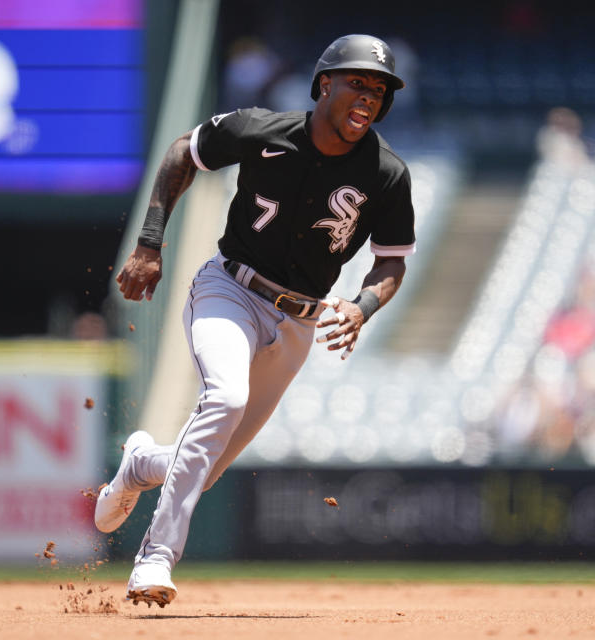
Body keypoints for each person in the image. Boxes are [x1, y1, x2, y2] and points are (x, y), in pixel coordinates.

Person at [96, 34, 415, 607]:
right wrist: (150, 243)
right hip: (230, 288)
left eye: (381, 90)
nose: (370, 97)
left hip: (300, 320)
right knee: (225, 398)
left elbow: (391, 259)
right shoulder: (260, 130)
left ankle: (141, 463)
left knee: (206, 467)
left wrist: (363, 306)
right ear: (324, 84)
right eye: (358, 83)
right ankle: (155, 559)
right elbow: (181, 154)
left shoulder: (386, 173)